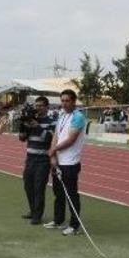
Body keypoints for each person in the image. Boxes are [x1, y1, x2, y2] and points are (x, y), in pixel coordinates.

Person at [45, 89, 87, 236]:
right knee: (58, 193)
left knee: (71, 194)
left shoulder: (78, 117)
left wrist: (53, 150)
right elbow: (56, 136)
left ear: (74, 101)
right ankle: (58, 220)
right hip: (58, 161)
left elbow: (71, 140)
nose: (64, 103)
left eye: (67, 100)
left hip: (70, 163)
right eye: (62, 101)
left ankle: (74, 226)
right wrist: (53, 155)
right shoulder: (62, 116)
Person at [19, 97, 56, 225]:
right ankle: (32, 210)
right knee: (28, 186)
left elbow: (50, 139)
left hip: (43, 160)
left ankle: (37, 215)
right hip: (29, 158)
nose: (38, 108)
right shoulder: (31, 119)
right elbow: (22, 138)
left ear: (47, 107)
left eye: (41, 105)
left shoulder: (52, 122)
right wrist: (24, 127)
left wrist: (37, 127)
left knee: (39, 188)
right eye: (37, 105)